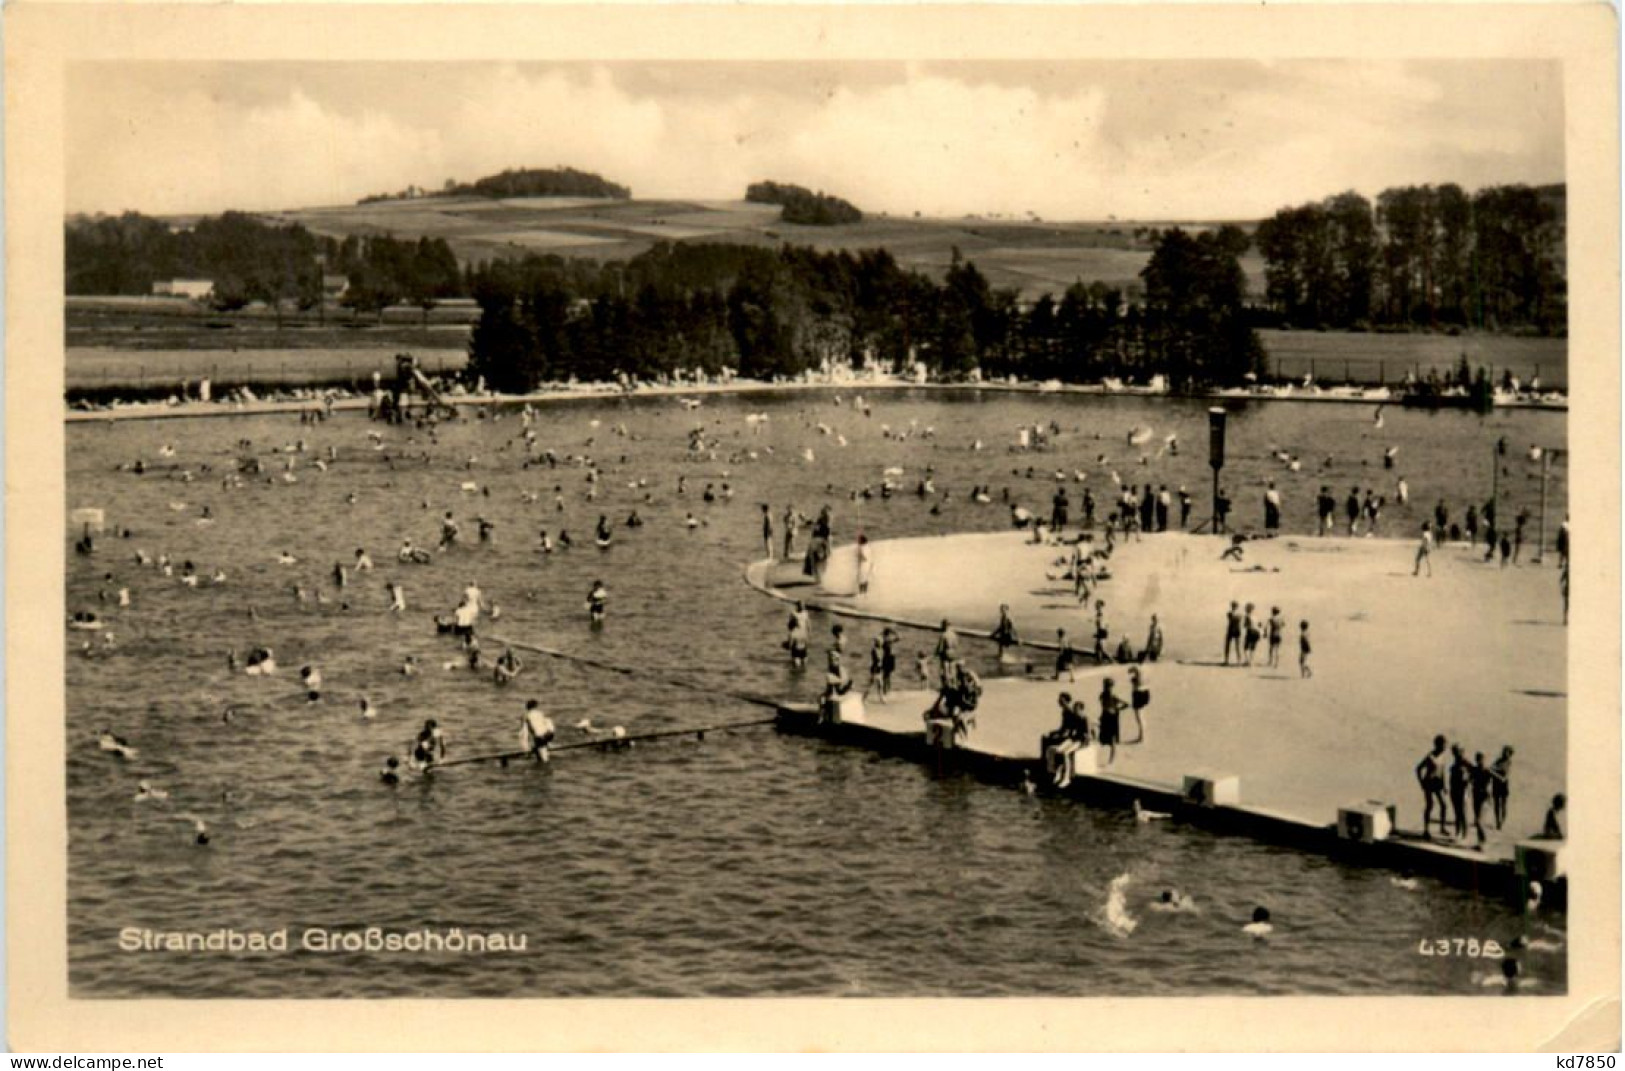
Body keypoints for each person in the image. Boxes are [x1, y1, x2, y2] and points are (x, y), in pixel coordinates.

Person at [1416, 735, 1449, 840]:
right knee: (1430, 806)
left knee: (1444, 805)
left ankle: (1442, 827)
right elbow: (1418, 768)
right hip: (1429, 783)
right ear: (1438, 745)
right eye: (1444, 745)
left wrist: (1444, 786)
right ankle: (1426, 830)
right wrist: (1421, 783)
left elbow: (1442, 771)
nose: (1445, 747)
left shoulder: (1442, 756)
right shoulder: (1430, 757)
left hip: (1438, 784)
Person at [1097, 677, 1125, 765]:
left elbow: (1125, 704)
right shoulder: (1109, 696)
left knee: (1111, 740)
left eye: (1108, 686)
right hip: (1108, 717)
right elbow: (1125, 704)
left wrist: (1116, 709)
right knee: (1105, 739)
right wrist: (1116, 708)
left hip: (1110, 718)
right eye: (1107, 686)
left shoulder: (1109, 696)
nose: (1107, 688)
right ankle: (1110, 759)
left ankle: (1111, 759)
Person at [820, 651, 852, 725]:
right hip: (835, 691)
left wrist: (833, 679)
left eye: (832, 659)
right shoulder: (831, 668)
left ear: (837, 660)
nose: (830, 661)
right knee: (821, 698)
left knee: (828, 697)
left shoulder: (840, 669)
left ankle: (824, 718)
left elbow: (845, 680)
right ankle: (822, 717)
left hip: (841, 691)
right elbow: (830, 684)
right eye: (829, 659)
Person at [1447, 744, 1471, 840]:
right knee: (1457, 812)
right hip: (1454, 790)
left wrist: (1467, 783)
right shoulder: (1456, 762)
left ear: (1462, 751)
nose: (1455, 753)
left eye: (1457, 751)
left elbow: (1474, 773)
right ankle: (1458, 832)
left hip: (1463, 791)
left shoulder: (1465, 762)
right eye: (1454, 751)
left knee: (1463, 812)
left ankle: (1465, 834)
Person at [1470, 752, 1493, 845]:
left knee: (1479, 821)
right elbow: (1470, 779)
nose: (1480, 761)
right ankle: (1480, 842)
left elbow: (1501, 779)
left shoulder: (1487, 770)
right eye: (1478, 759)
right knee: (1478, 820)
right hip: (1476, 796)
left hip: (1484, 796)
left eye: (1481, 759)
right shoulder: (1475, 769)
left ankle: (1483, 841)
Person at [1490, 745, 1514, 830]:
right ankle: (1498, 821)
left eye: (1506, 752)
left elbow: (1504, 778)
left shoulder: (1508, 763)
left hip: (1503, 785)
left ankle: (1502, 822)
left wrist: (1494, 772)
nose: (1504, 753)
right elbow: (1491, 768)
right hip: (1496, 785)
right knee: (1497, 804)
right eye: (1504, 751)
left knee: (1503, 805)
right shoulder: (1498, 761)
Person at [1127, 665, 1151, 744]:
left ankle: (1142, 736)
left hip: (1138, 693)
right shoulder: (1146, 668)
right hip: (1146, 691)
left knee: (1139, 717)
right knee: (1142, 715)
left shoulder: (1137, 668)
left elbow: (1130, 670)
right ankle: (1142, 735)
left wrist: (1133, 679)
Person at [786, 602, 810, 670]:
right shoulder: (804, 633)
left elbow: (790, 646)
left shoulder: (792, 634)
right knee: (804, 667)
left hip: (796, 651)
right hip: (804, 649)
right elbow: (807, 643)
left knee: (796, 669)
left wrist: (786, 645)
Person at [1224, 601, 1243, 665]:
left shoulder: (1229, 613)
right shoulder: (1239, 614)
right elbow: (1238, 620)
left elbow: (1230, 618)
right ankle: (1239, 660)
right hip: (1237, 629)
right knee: (1237, 646)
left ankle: (1227, 660)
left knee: (1228, 645)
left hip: (1231, 629)